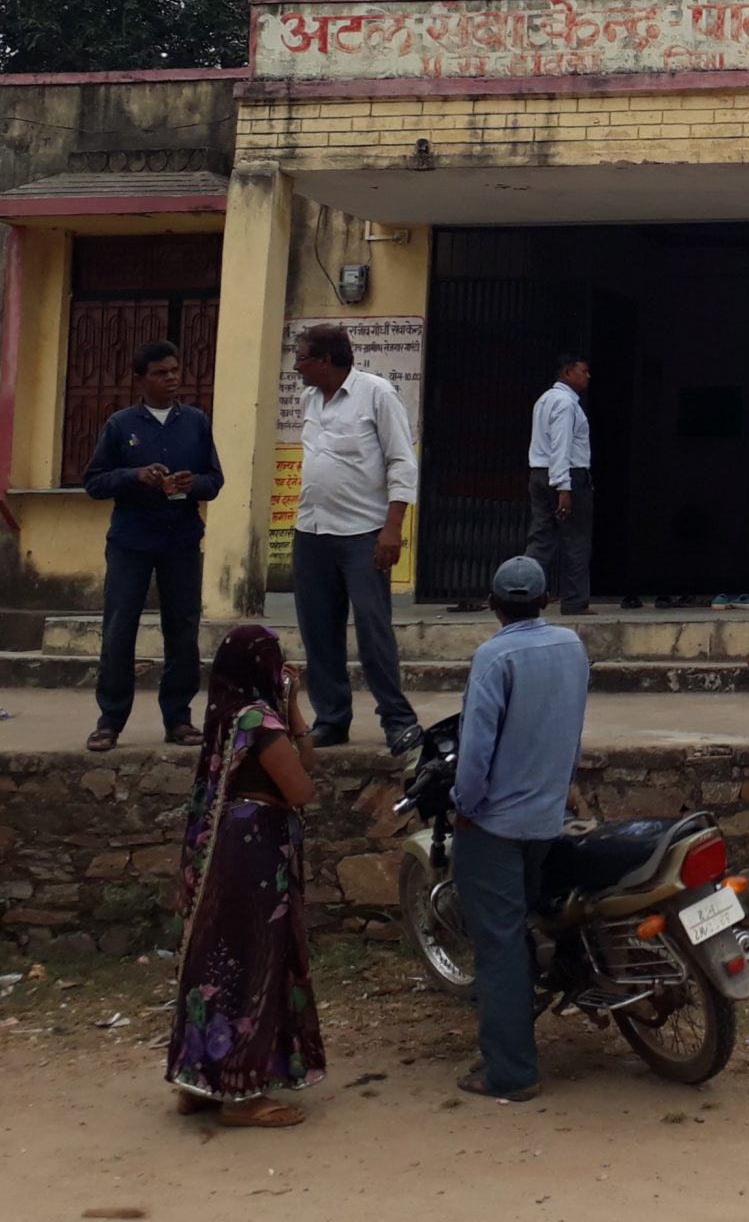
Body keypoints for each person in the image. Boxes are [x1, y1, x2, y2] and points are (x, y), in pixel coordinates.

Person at [166, 623, 326, 1128]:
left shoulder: (224, 715)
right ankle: (243, 1094)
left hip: (223, 852)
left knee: (216, 961)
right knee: (255, 964)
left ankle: (199, 1082)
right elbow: (301, 788)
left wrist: (291, 704)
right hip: (256, 853)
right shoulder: (259, 721)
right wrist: (292, 713)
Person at [451, 554, 590, 1102]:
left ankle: (510, 1070)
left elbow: (476, 747)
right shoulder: (571, 646)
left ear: (492, 605)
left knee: (499, 942)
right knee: (526, 920)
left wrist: (465, 803)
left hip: (496, 823)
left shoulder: (493, 656)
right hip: (546, 816)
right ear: (544, 599)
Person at [80, 339, 223, 752]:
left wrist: (190, 483)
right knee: (119, 629)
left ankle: (178, 719)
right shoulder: (120, 425)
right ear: (140, 379)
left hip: (180, 538)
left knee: (182, 629)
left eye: (175, 371)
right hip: (131, 540)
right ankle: (110, 720)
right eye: (161, 373)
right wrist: (134, 476)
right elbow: (94, 482)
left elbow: (214, 480)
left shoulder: (195, 421)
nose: (171, 379)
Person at [290, 322, 422, 754]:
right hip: (312, 531)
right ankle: (331, 718)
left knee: (372, 627)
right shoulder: (310, 399)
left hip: (363, 534)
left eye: (303, 357)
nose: (297, 367)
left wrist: (393, 529)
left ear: (326, 360)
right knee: (318, 631)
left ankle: (397, 719)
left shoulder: (376, 394)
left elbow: (402, 462)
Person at [522, 354, 594, 616]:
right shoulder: (565, 404)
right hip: (566, 475)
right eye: (583, 371)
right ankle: (575, 601)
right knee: (575, 539)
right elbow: (560, 446)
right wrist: (564, 488)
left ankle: (520, 596)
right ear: (567, 373)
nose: (587, 376)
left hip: (539, 473)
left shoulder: (544, 400)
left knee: (541, 537)